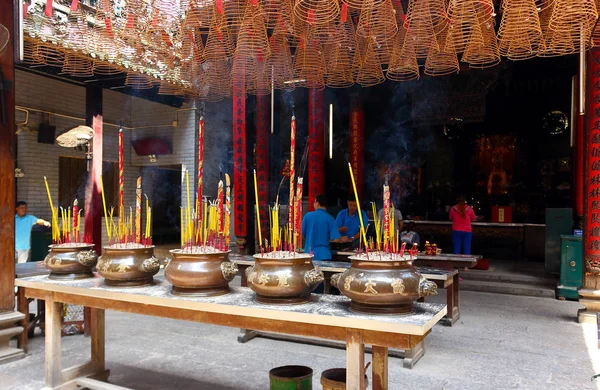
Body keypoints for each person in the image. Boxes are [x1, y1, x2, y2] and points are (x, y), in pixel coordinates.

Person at [302, 195, 349, 261]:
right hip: (324, 255)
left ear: (317, 203)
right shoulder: (330, 218)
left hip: (308, 255)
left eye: (314, 202)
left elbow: (302, 234)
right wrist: (342, 239)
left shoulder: (307, 216)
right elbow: (336, 239)